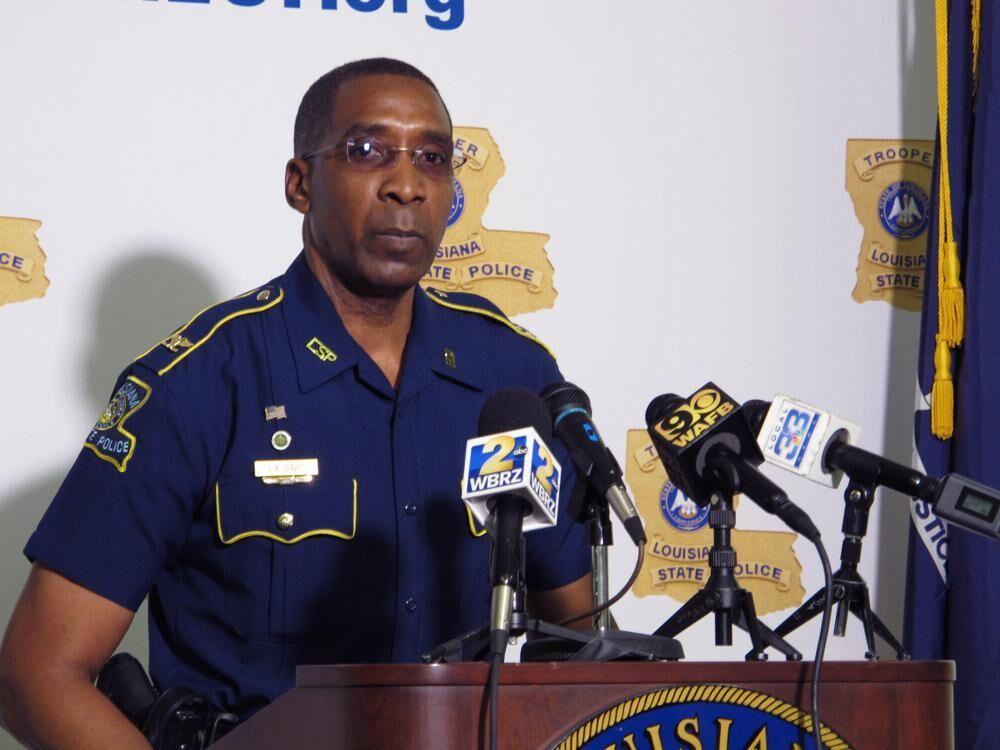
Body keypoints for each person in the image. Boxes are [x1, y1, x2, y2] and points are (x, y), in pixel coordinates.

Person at [0, 58, 592, 748]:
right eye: (367, 151)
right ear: (300, 183)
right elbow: (36, 675)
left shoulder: (513, 375)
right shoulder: (199, 383)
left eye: (432, 159)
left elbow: (578, 646)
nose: (406, 185)